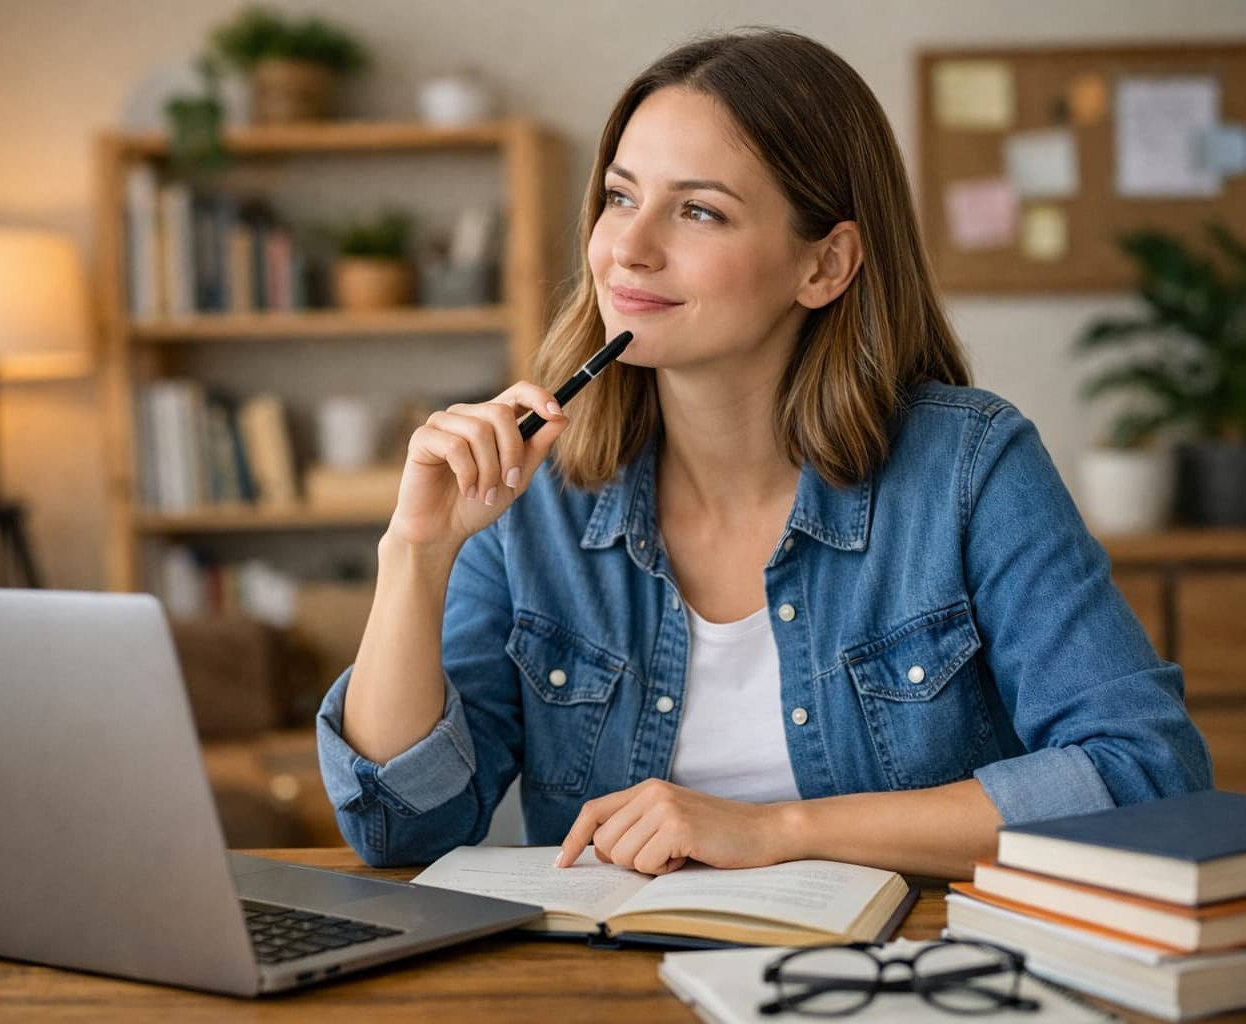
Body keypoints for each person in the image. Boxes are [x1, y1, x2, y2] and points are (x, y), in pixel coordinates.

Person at [317, 29, 1211, 879]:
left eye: (698, 211)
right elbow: (401, 827)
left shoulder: (968, 467)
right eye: (621, 197)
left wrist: (775, 831)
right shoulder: (538, 493)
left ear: (824, 266)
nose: (626, 247)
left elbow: (1147, 775)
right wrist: (416, 554)